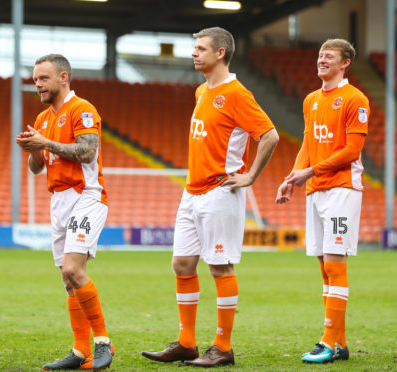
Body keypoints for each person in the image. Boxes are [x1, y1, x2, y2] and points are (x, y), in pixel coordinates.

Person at [141, 27, 279, 368]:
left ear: (220, 53)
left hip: (220, 191)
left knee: (219, 266)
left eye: (201, 48)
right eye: (194, 47)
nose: (194, 53)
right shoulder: (202, 90)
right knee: (183, 263)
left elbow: (270, 135)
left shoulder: (236, 94)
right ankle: (187, 343)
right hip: (192, 191)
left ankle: (223, 347)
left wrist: (250, 176)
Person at [16, 54, 114, 371]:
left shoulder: (81, 109)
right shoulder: (44, 118)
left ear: (63, 77)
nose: (38, 84)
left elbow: (87, 151)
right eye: (35, 79)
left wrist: (46, 142)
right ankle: (80, 352)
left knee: (74, 269)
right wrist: (34, 148)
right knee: (67, 280)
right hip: (58, 199)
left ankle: (102, 342)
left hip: (86, 195)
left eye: (43, 78)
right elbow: (36, 167)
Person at [276, 39, 368, 364]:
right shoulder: (311, 100)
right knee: (323, 269)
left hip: (342, 189)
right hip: (315, 189)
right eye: (319, 56)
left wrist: (311, 171)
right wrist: (292, 178)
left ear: (345, 63)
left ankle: (327, 341)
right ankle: (340, 343)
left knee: (334, 263)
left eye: (328, 56)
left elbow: (352, 152)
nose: (321, 60)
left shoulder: (355, 99)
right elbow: (308, 143)